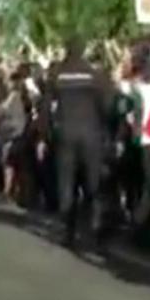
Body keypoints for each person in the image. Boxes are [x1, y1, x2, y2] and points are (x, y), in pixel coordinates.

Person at [44, 36, 115, 249]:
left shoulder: (57, 75)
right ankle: (94, 228)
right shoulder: (96, 76)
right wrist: (106, 130)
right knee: (92, 182)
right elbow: (108, 106)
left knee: (67, 182)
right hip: (91, 134)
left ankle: (68, 232)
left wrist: (45, 134)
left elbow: (45, 108)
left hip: (65, 133)